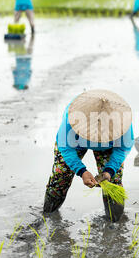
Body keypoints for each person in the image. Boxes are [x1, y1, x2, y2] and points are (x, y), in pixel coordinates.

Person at [43, 89, 134, 222]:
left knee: (113, 181)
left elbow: (123, 148)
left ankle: (114, 222)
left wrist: (109, 171)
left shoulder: (122, 122)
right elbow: (65, 148)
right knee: (60, 177)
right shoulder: (71, 118)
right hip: (76, 142)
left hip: (108, 146)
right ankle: (48, 215)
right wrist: (82, 171)